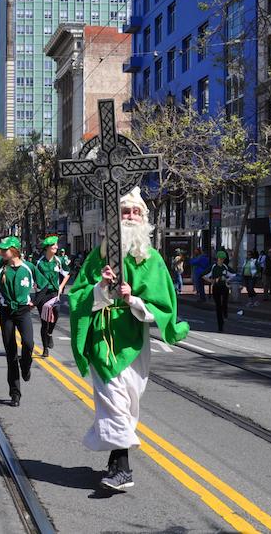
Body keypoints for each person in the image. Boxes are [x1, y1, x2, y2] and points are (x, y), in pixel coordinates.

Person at [68, 187, 189, 492]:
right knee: (113, 400)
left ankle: (114, 460)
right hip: (102, 341)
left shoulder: (152, 259)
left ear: (144, 219)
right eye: (125, 212)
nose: (131, 216)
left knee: (127, 402)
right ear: (114, 219)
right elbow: (78, 296)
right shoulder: (99, 257)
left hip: (133, 341)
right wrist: (100, 288)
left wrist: (133, 298)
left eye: (136, 212)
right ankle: (123, 470)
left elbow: (163, 306)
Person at [0, 236, 35, 408]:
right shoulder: (0, 268)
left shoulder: (28, 267)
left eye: (5, 249)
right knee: (10, 353)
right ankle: (15, 393)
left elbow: (44, 285)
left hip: (23, 311)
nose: (2, 252)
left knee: (28, 343)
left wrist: (35, 301)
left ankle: (26, 366)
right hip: (7, 312)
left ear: (14, 251)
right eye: (1, 250)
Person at [34, 236, 70, 357]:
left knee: (56, 312)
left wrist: (61, 287)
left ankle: (49, 334)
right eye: (54, 245)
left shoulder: (59, 261)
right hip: (42, 294)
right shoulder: (39, 263)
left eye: (56, 244)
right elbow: (35, 278)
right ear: (47, 248)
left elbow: (67, 274)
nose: (56, 247)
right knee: (45, 321)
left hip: (54, 293)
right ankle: (45, 348)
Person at [203, 251, 236, 332]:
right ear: (217, 259)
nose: (221, 260)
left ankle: (225, 314)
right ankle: (220, 326)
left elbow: (233, 274)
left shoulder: (225, 267)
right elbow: (204, 275)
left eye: (223, 259)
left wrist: (227, 280)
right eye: (220, 259)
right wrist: (212, 281)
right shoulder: (213, 267)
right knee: (218, 306)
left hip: (224, 287)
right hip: (216, 288)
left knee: (224, 303)